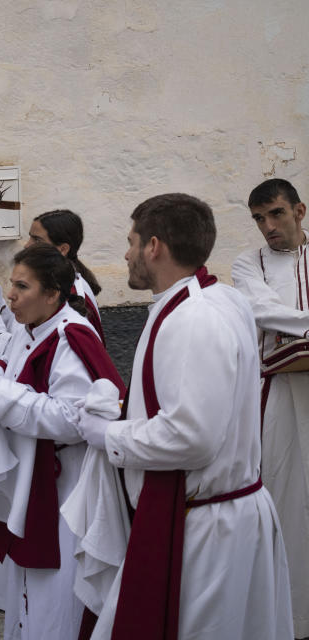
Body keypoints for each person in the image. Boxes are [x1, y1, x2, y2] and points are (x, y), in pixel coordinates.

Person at [74, 193, 292, 639]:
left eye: (131, 241)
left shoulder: (196, 318)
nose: (127, 253)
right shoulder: (211, 299)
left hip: (207, 534)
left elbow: (192, 437)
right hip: (202, 518)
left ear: (155, 246)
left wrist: (109, 436)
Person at [0, 244, 124, 638]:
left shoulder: (73, 337)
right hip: (33, 479)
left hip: (65, 489)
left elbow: (73, 419)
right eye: (10, 284)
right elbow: (17, 374)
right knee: (27, 594)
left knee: (56, 595)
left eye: (22, 286)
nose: (10, 296)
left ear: (52, 294)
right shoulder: (29, 328)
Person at [231, 178, 309, 637]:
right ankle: (287, 616)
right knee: (282, 496)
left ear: (299, 211)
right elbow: (262, 310)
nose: (267, 226)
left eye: (276, 214)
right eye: (259, 218)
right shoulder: (249, 262)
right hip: (277, 393)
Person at [0, 209, 105, 349]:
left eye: (37, 239)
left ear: (63, 249)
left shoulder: (70, 294)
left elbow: (47, 351)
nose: (27, 245)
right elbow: (28, 330)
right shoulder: (52, 280)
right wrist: (1, 308)